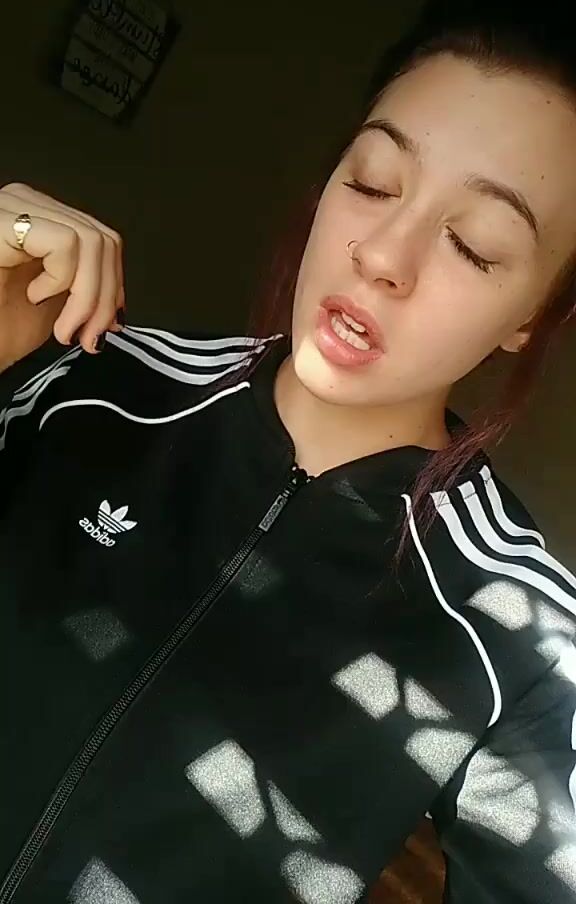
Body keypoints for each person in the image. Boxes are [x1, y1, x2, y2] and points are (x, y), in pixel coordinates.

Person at [2, 4, 576, 902]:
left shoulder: (519, 633)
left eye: (474, 245)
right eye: (374, 182)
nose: (382, 255)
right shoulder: (89, 384)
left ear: (531, 319)